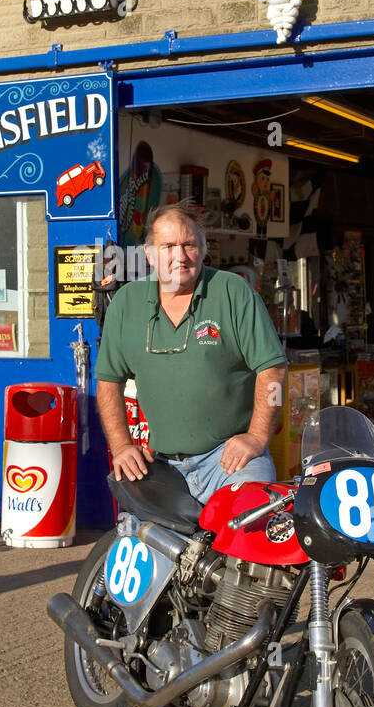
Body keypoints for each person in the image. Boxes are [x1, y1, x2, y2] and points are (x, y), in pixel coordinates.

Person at [95, 202, 288, 503]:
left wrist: (257, 437)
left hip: (231, 463)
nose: (180, 257)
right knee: (145, 544)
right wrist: (121, 446)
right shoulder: (125, 303)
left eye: (189, 245)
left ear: (204, 249)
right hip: (161, 467)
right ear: (149, 253)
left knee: (250, 536)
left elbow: (273, 369)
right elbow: (108, 381)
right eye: (168, 246)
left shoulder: (232, 292)